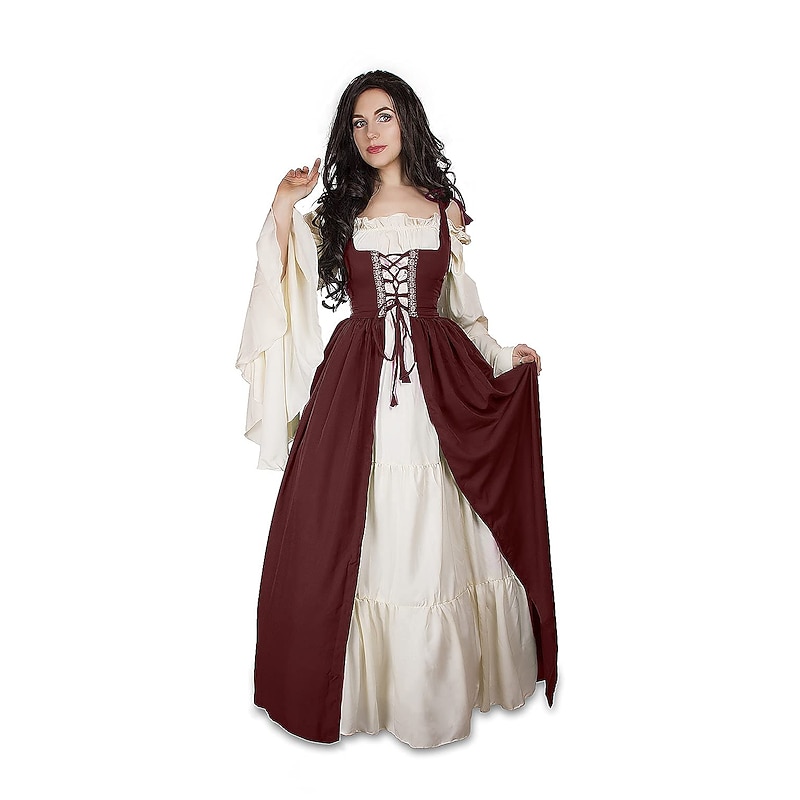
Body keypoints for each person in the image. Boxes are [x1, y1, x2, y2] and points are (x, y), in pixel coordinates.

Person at [235, 70, 558, 749]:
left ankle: (431, 689)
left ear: (407, 120)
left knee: (434, 527)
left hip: (437, 387)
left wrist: (504, 357)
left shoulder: (443, 209)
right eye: (358, 122)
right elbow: (283, 281)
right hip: (356, 388)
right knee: (353, 519)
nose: (371, 132)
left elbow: (460, 312)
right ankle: (364, 687)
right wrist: (285, 205)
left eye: (383, 116)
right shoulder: (342, 213)